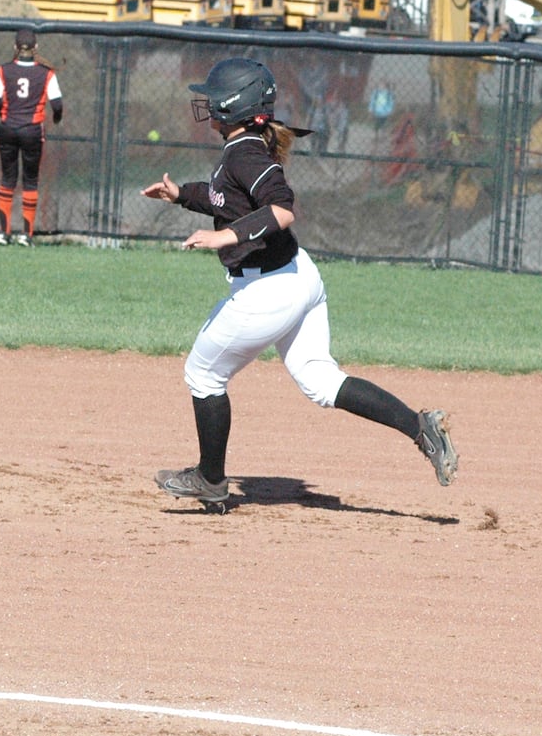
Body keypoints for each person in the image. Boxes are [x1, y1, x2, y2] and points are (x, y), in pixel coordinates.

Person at [140, 57, 458, 510]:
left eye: (213, 97)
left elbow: (281, 207)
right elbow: (223, 196)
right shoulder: (244, 147)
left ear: (233, 106)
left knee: (204, 373)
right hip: (298, 276)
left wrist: (223, 236)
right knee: (321, 380)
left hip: (268, 290)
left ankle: (210, 481)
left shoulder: (245, 152)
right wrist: (180, 195)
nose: (206, 103)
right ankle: (419, 426)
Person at [0, 26, 62, 245]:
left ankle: (4, 233)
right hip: (32, 130)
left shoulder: (4, 70)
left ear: (15, 47)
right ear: (36, 48)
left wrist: (6, 113)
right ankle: (26, 235)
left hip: (8, 128)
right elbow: (57, 103)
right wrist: (56, 117)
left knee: (7, 178)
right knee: (30, 180)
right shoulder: (46, 73)